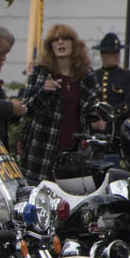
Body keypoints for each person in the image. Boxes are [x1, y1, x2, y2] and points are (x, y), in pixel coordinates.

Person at [19, 24, 102, 183]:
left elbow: (95, 106)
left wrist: (96, 111)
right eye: (55, 40)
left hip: (75, 151)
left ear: (74, 44)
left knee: (73, 200)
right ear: (50, 46)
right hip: (43, 149)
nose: (60, 42)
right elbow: (26, 109)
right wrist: (44, 92)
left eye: (65, 38)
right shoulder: (41, 72)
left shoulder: (85, 75)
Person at [91, 32, 130, 121]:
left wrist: (108, 115)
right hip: (95, 125)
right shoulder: (93, 76)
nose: (116, 56)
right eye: (112, 53)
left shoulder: (129, 76)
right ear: (103, 55)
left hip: (119, 125)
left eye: (117, 52)